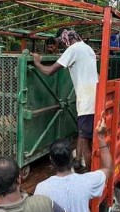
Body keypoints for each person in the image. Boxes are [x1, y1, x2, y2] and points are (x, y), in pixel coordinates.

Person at [32, 29, 99, 171]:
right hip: (95, 98)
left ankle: (88, 172)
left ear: (64, 40)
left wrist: (37, 63)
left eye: (60, 43)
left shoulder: (73, 49)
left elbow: (49, 71)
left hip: (87, 100)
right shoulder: (88, 49)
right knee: (83, 133)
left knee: (87, 141)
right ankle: (77, 161)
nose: (62, 46)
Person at [34, 117, 113, 212]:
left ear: (51, 161)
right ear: (71, 158)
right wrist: (101, 138)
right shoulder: (86, 182)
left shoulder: (42, 189)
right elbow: (108, 168)